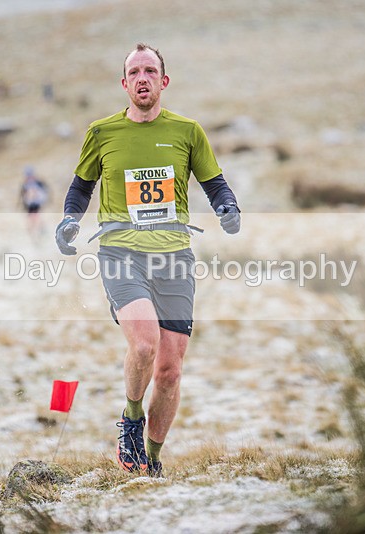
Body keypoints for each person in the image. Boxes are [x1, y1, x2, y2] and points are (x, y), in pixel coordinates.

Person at [55, 43, 241, 477]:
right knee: (143, 343)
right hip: (121, 252)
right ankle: (131, 418)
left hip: (174, 257)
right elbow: (80, 188)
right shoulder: (102, 132)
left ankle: (151, 463)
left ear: (163, 81)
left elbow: (215, 183)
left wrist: (228, 209)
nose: (142, 78)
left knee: (170, 371)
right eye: (134, 72)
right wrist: (68, 221)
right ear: (124, 84)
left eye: (150, 71)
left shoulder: (188, 131)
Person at [20, 165, 49, 237]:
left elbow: (45, 192)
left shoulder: (38, 183)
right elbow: (22, 195)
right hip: (29, 205)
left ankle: (40, 231)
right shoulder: (25, 184)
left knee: (36, 217)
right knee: (31, 219)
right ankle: (34, 233)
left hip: (37, 203)